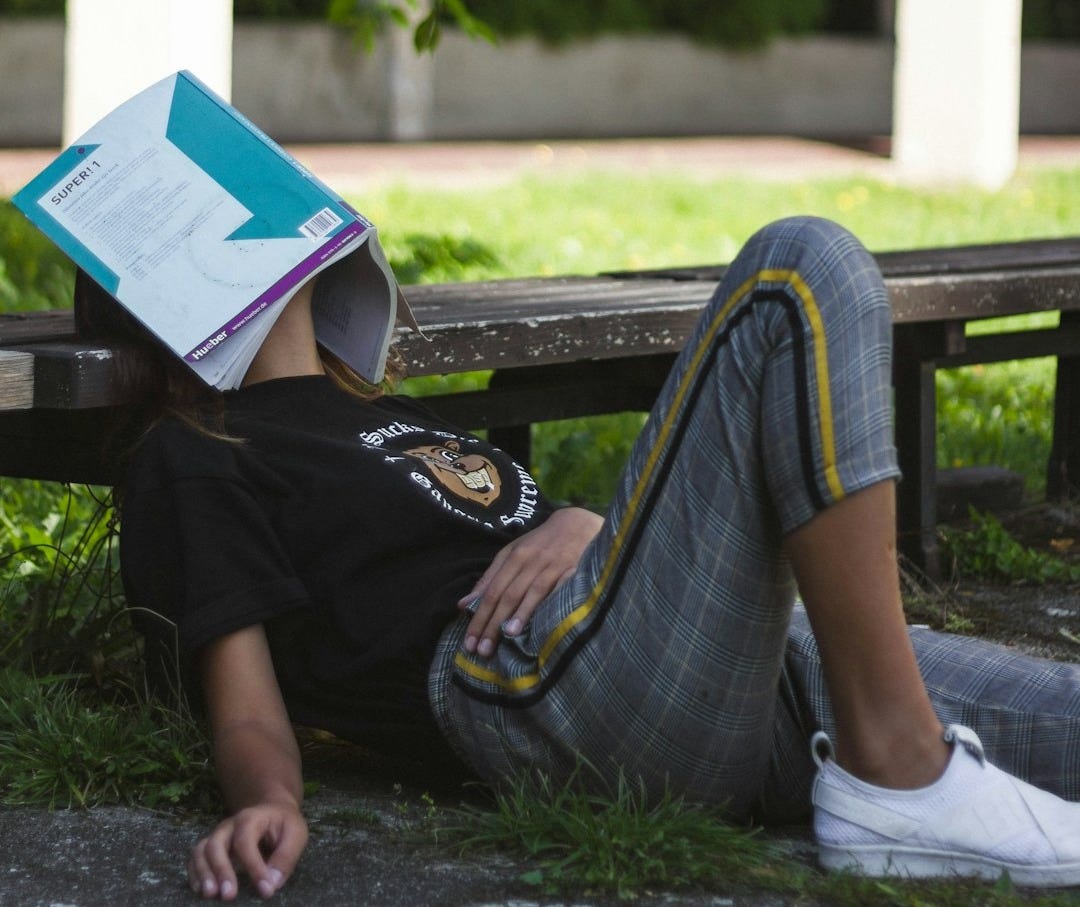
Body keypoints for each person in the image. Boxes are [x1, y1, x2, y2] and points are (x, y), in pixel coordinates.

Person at [75, 216, 1080, 902]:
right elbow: (248, 705)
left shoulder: (378, 415)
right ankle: (897, 769)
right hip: (548, 693)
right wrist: (267, 802)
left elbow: (585, 548)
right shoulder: (197, 454)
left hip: (720, 664)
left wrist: (582, 521)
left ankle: (889, 757)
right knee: (798, 267)